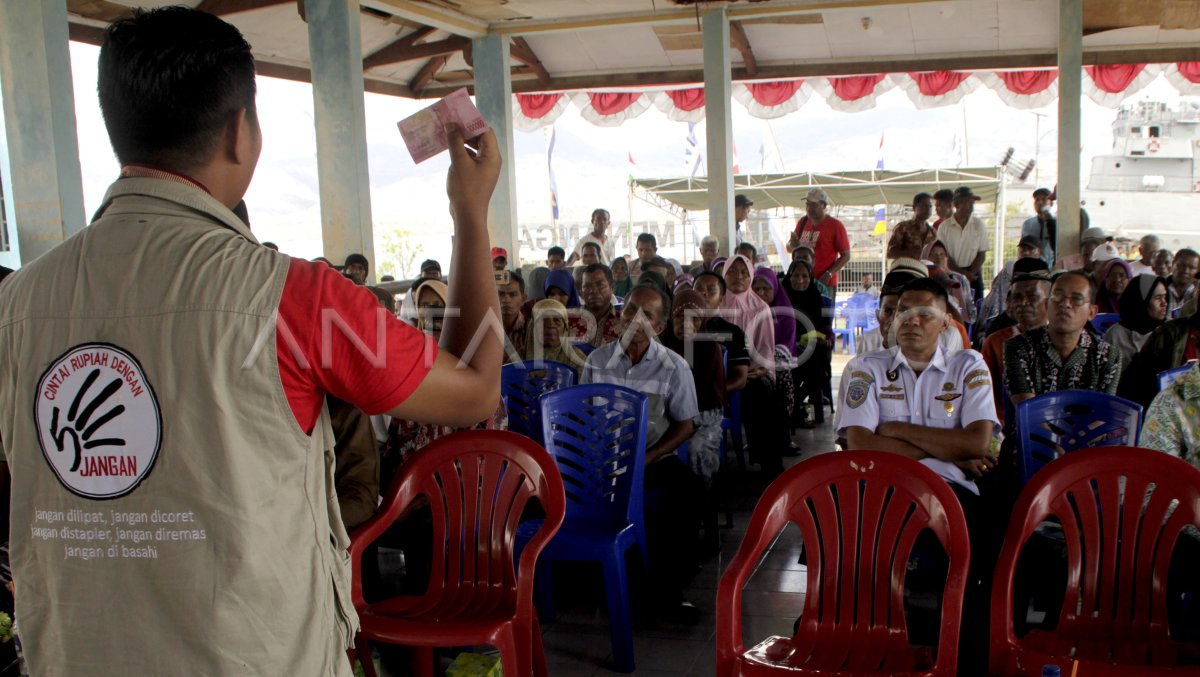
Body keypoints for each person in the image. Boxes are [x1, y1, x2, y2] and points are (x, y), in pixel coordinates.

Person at [0, 7, 504, 675]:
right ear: (241, 131)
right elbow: (473, 390)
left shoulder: (16, 304)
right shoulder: (294, 297)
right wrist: (470, 213)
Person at [839, 277, 999, 673]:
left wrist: (896, 431)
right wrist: (949, 445)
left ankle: (965, 661)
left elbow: (978, 443)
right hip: (883, 491)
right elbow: (861, 445)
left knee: (979, 566)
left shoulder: (968, 365)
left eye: (924, 311)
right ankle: (859, 651)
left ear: (945, 321)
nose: (911, 320)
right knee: (843, 552)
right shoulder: (867, 368)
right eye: (902, 310)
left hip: (951, 492)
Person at [582, 285, 703, 621]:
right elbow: (584, 418)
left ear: (659, 327)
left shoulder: (674, 367)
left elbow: (685, 426)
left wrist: (647, 458)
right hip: (606, 461)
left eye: (645, 313)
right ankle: (610, 585)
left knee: (683, 493)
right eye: (629, 309)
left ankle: (667, 591)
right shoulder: (597, 361)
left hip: (653, 458)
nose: (634, 318)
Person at [1004, 271, 1122, 411]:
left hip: (1089, 432)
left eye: (1076, 299)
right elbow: (1028, 411)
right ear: (1047, 305)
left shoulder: (1108, 356)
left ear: (1091, 312)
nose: (1065, 304)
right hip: (1032, 431)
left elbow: (1103, 414)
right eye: (1057, 296)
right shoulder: (1018, 347)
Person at [980, 258, 1051, 424]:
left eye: (1032, 296)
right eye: (1017, 297)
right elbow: (987, 397)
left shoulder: (1063, 340)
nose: (1023, 303)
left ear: (1049, 300)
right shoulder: (996, 342)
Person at [783, 260, 833, 426]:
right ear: (789, 276)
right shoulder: (782, 298)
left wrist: (827, 340)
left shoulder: (816, 298)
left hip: (812, 351)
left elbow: (826, 328)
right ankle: (794, 409)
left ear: (811, 278)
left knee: (819, 368)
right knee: (797, 371)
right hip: (787, 350)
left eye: (805, 276)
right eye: (796, 275)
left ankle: (794, 407)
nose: (800, 280)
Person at [788, 188, 851, 299]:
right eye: (807, 204)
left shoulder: (835, 226)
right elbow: (789, 247)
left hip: (825, 283)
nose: (809, 208)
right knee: (804, 315)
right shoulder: (802, 222)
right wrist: (793, 245)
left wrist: (829, 274)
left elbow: (846, 255)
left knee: (824, 315)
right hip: (802, 281)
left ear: (823, 205)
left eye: (813, 204)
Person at [1103, 274, 1168, 372]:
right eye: (1158, 298)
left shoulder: (1169, 330)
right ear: (1141, 301)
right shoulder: (1115, 334)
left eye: (1165, 297)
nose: (1164, 303)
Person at [936, 188, 989, 300]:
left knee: (977, 308)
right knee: (955, 309)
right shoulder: (944, 227)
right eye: (968, 202)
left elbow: (982, 253)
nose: (972, 206)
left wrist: (970, 275)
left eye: (972, 203)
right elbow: (945, 256)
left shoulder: (979, 224)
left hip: (974, 274)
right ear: (956, 204)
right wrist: (963, 275)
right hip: (951, 274)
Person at [979, 235, 1042, 328]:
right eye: (1022, 249)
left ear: (1040, 253)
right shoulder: (1010, 268)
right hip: (1006, 317)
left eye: (1030, 249)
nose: (1026, 252)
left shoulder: (1043, 273)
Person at [523, 299, 587, 373]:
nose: (550, 325)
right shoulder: (519, 356)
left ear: (565, 328)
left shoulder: (578, 360)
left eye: (557, 320)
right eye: (543, 320)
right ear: (532, 327)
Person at [573, 262, 621, 347]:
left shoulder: (624, 323)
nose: (593, 291)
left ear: (612, 287)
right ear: (581, 290)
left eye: (600, 285)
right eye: (587, 286)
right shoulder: (569, 321)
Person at [752, 266, 797, 357]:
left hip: (780, 363)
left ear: (775, 289)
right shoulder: (747, 312)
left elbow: (787, 343)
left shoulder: (786, 314)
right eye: (757, 289)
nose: (761, 293)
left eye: (766, 288)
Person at [886, 192, 936, 260]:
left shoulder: (933, 232)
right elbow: (890, 253)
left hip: (927, 269)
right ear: (914, 207)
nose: (928, 209)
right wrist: (912, 253)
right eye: (924, 205)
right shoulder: (902, 228)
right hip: (906, 268)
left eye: (930, 206)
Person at [1020, 187, 1056, 267]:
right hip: (1033, 266)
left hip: (1053, 264)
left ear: (1051, 203)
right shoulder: (1028, 224)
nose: (1039, 202)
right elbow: (1023, 247)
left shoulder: (1057, 222)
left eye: (1044, 199)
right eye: (1037, 200)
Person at [497, 270, 527, 360]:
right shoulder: (484, 328)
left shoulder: (530, 329)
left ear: (523, 298)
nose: (506, 300)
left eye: (513, 294)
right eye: (500, 294)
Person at [1167, 248, 1199, 315]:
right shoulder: (1158, 288)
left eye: (1191, 267)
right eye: (1182, 265)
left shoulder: (1197, 293)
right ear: (1173, 264)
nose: (1186, 271)